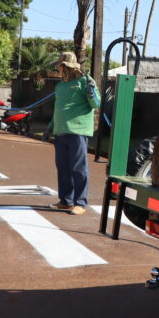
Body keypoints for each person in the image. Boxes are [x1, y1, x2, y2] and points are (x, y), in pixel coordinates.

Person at [49, 53, 100, 214]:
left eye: (60, 65)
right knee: (62, 167)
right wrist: (50, 127)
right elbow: (58, 109)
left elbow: (96, 104)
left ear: (66, 66)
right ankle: (66, 201)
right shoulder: (60, 86)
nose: (58, 68)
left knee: (78, 167)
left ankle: (80, 203)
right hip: (60, 131)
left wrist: (91, 91)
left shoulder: (85, 81)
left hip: (78, 131)